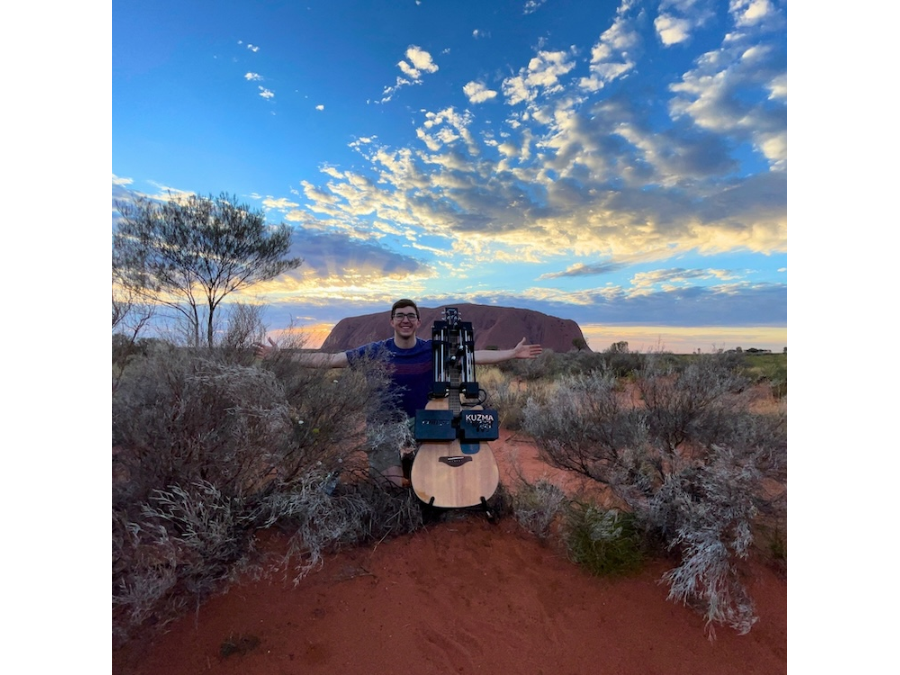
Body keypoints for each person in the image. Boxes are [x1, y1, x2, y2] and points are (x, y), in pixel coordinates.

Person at [256, 299, 542, 486]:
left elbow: (472, 355)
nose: (405, 320)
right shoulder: (375, 351)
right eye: (400, 316)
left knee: (435, 483)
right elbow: (330, 360)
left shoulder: (432, 349)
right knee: (392, 488)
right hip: (384, 427)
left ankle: (412, 462)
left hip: (423, 426)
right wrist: (284, 356)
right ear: (392, 322)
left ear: (418, 322)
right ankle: (399, 467)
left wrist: (512, 354)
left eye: (411, 316)